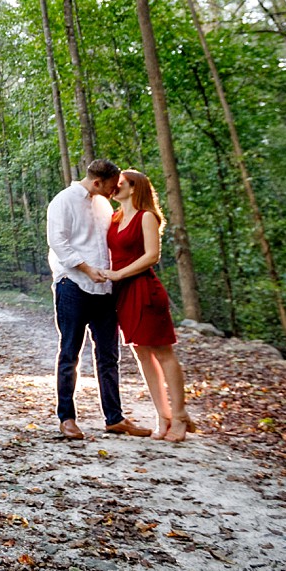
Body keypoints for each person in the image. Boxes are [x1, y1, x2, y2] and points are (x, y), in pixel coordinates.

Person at [47, 158, 151, 440]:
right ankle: (67, 418)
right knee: (70, 352)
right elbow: (58, 243)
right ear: (96, 182)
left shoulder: (104, 204)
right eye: (110, 187)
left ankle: (114, 418)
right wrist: (86, 268)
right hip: (73, 285)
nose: (113, 192)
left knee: (109, 355)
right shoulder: (63, 201)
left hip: (105, 289)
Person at [106, 168, 196, 442]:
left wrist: (120, 274)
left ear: (134, 188)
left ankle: (180, 416)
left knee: (163, 352)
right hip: (122, 293)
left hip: (144, 289)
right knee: (141, 354)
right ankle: (163, 415)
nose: (114, 188)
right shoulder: (115, 217)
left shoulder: (147, 217)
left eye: (119, 184)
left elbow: (152, 256)